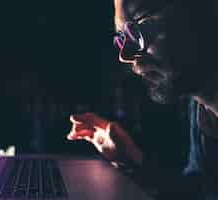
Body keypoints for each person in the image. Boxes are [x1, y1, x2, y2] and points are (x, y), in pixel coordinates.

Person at [67, 0, 218, 199]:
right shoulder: (200, 108)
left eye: (137, 30)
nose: (126, 57)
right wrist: (133, 161)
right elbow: (198, 191)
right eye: (123, 38)